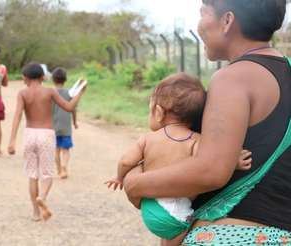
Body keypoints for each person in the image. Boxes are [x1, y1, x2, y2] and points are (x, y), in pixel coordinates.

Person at [123, 0, 291, 245]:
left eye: (203, 13)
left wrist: (135, 183)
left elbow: (211, 170)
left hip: (233, 235)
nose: (199, 24)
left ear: (227, 21)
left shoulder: (232, 77)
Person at [106, 73, 252, 246]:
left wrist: (119, 177)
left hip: (149, 206)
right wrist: (233, 163)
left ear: (159, 113)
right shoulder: (196, 140)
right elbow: (212, 162)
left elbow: (125, 161)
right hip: (176, 211)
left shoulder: (147, 139)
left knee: (167, 236)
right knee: (184, 233)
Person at [8, 63, 86, 221]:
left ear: (25, 78)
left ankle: (36, 213)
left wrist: (12, 140)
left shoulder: (22, 93)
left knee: (32, 175)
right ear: (43, 77)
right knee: (47, 174)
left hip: (30, 134)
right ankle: (42, 197)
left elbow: (17, 116)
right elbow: (69, 107)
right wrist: (80, 92)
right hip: (46, 135)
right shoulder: (49, 91)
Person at [52, 67, 78, 179]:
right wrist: (75, 122)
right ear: (65, 79)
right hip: (66, 127)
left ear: (53, 79)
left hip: (53, 126)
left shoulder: (50, 93)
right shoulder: (69, 93)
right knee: (65, 150)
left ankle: (58, 169)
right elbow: (73, 109)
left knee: (56, 149)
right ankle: (64, 167)